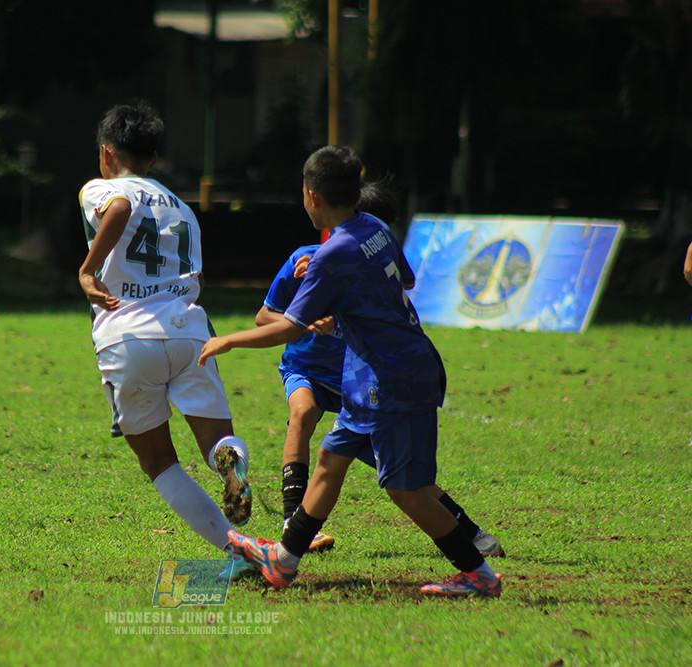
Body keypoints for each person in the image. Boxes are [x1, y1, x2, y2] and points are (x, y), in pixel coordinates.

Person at [199, 146, 503, 598]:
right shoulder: (374, 228)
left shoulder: (329, 254)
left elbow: (288, 327)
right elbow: (404, 281)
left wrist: (228, 339)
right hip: (373, 374)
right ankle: (283, 561)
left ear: (311, 196)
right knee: (329, 461)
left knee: (406, 490)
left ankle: (477, 574)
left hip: (390, 378)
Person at [258, 181, 504, 559]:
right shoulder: (305, 260)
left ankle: (470, 535)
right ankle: (293, 526)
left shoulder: (358, 267)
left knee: (403, 477)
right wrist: (304, 313)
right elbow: (265, 316)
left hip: (359, 381)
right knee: (303, 413)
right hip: (306, 368)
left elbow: (392, 290)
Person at [78, 101, 253, 564]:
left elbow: (117, 207)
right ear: (153, 159)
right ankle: (232, 463)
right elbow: (195, 277)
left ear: (105, 153)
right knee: (216, 443)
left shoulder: (101, 187)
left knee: (159, 462)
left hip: (129, 335)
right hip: (190, 333)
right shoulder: (183, 209)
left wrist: (88, 269)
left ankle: (236, 552)